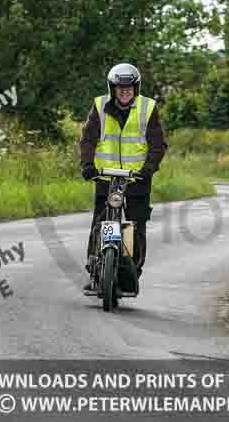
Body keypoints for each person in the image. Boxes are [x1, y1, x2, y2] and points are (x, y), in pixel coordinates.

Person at [79, 63, 168, 292]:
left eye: (129, 88)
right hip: (106, 178)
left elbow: (158, 144)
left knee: (136, 227)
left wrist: (148, 169)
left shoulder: (147, 108)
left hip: (136, 180)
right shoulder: (99, 107)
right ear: (112, 88)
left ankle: (132, 272)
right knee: (100, 222)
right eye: (120, 88)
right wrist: (88, 165)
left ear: (136, 88)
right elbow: (88, 139)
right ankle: (95, 269)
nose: (125, 91)